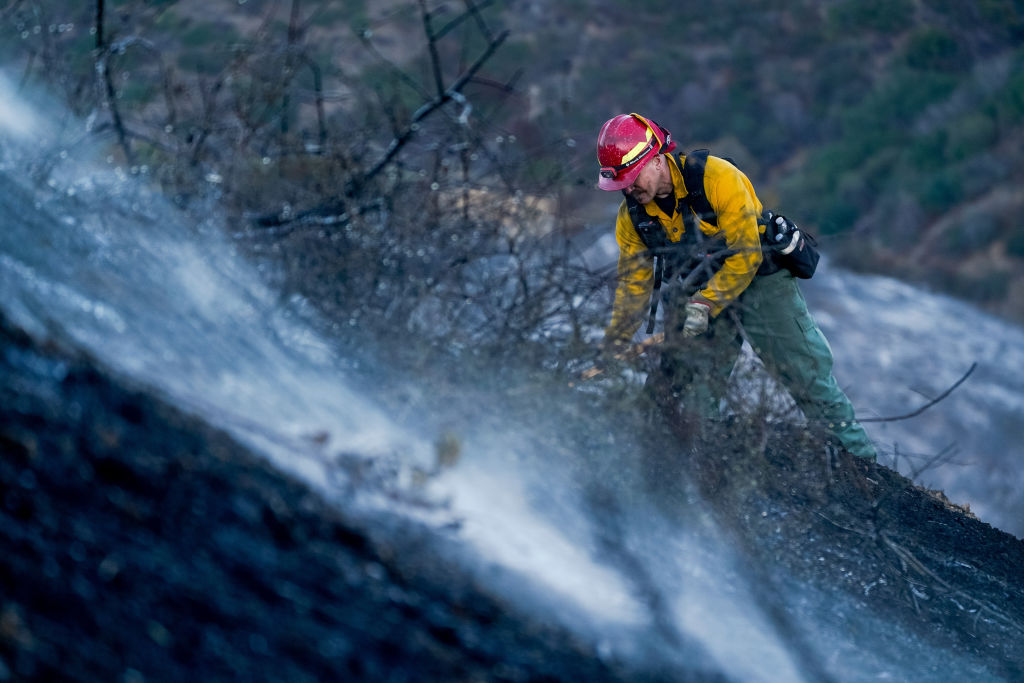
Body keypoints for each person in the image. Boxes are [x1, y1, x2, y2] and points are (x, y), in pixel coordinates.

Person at [591, 112, 877, 461]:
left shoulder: (718, 178)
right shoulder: (632, 219)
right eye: (622, 185)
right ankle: (695, 469)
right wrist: (615, 342)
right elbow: (632, 287)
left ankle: (863, 468)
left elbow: (746, 255)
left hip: (761, 281)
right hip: (699, 291)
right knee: (689, 392)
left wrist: (706, 304)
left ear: (655, 159)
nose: (630, 191)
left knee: (806, 377)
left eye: (633, 179)